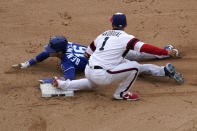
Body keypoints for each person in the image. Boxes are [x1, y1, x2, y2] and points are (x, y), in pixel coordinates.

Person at [52, 12, 184, 101]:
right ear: (125, 25)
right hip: (103, 74)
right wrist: (165, 52)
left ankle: (63, 85)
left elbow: (88, 53)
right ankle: (121, 94)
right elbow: (144, 48)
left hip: (90, 69)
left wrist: (109, 57)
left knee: (94, 81)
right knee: (135, 67)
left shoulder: (103, 34)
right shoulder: (126, 37)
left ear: (112, 24)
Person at [12, 36, 179, 83]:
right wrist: (28, 63)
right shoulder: (67, 44)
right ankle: (167, 51)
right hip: (107, 49)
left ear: (60, 51)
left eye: (53, 51)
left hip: (107, 61)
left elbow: (69, 78)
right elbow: (45, 54)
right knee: (137, 53)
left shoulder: (67, 62)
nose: (50, 52)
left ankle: (163, 71)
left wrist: (49, 80)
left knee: (137, 67)